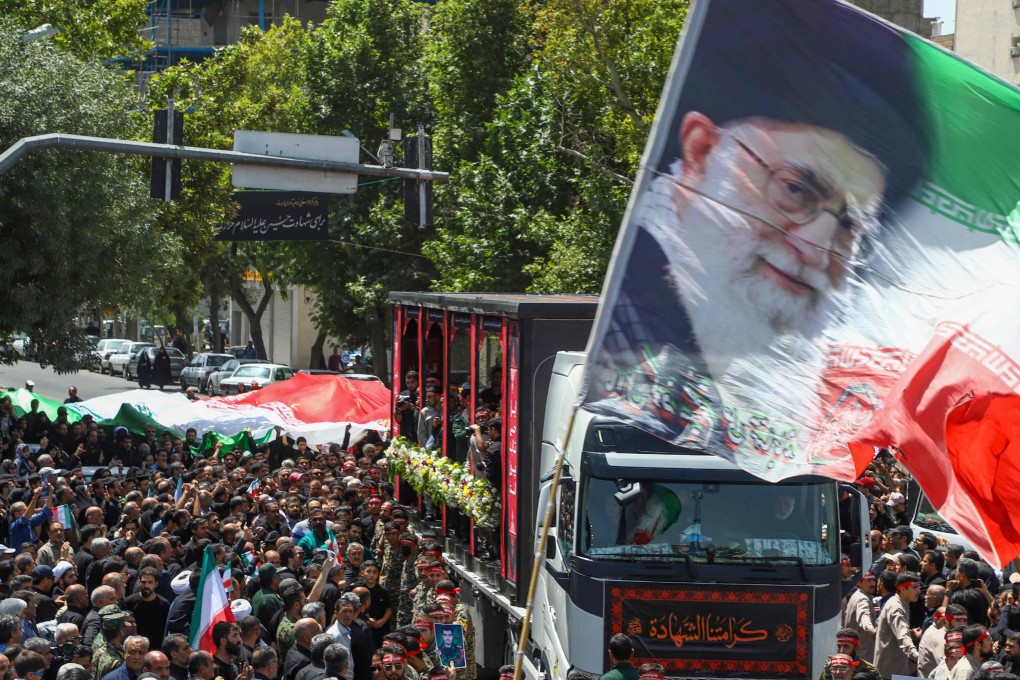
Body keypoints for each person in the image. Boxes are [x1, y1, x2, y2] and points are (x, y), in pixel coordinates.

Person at [874, 573, 920, 678]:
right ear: (903, 589)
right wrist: (918, 657)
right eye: (914, 588)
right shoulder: (896, 608)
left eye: (918, 587)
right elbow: (903, 636)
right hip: (890, 671)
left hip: (892, 668)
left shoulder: (897, 602)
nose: (918, 591)